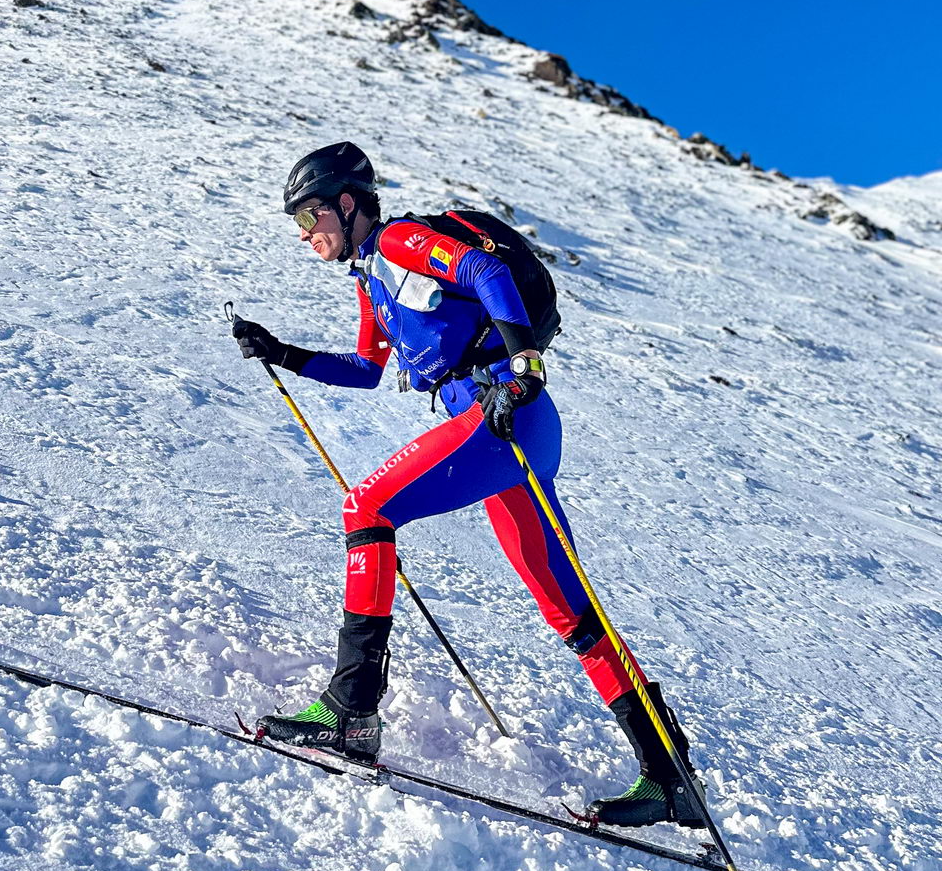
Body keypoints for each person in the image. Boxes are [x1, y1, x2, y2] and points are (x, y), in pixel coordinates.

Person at [231, 140, 703, 829]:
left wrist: (522, 366)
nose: (307, 235)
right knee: (565, 606)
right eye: (298, 224)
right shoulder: (372, 280)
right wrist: (282, 353)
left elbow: (482, 268)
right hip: (506, 427)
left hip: (505, 411)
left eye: (310, 216)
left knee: (368, 506)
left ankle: (351, 711)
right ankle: (671, 776)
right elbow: (366, 369)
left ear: (346, 202)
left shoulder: (398, 240)